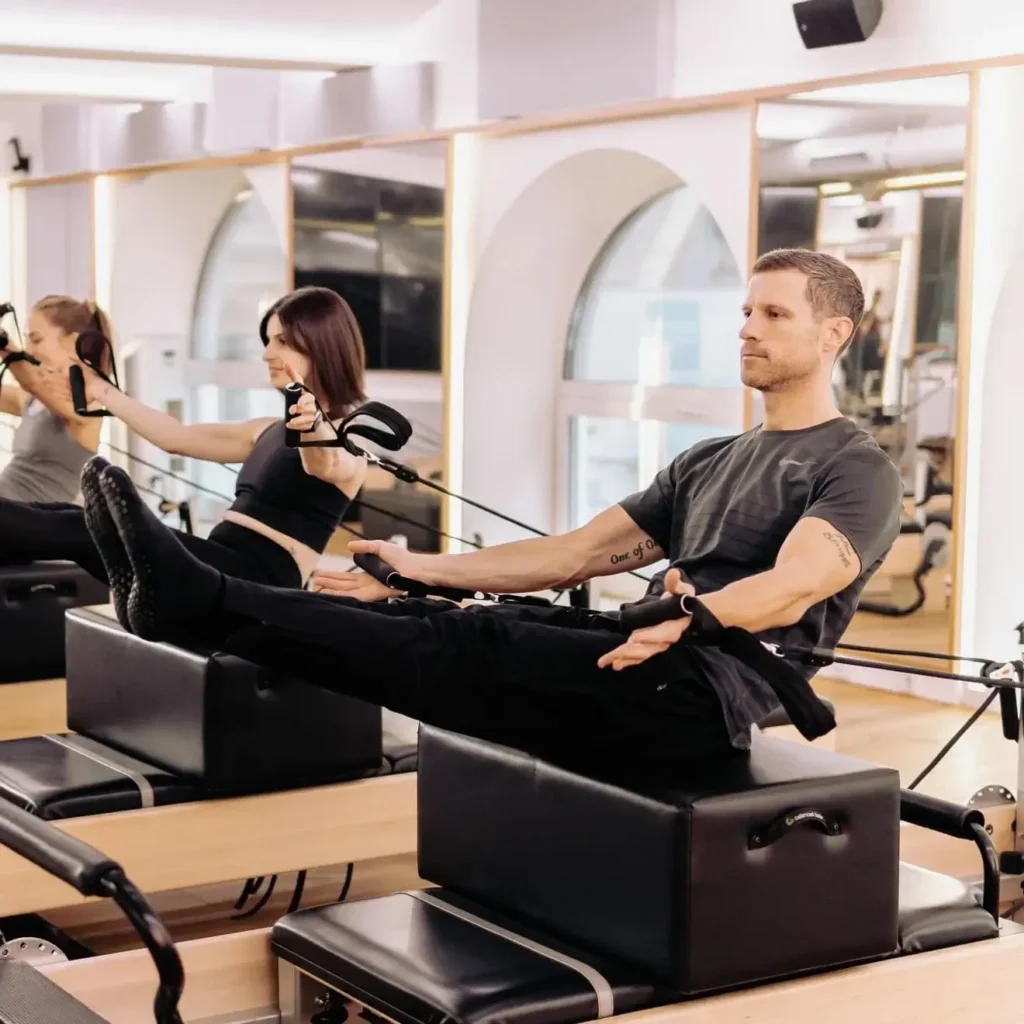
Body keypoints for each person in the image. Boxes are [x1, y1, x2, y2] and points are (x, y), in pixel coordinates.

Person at [83, 249, 904, 765]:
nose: (747, 331)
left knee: (468, 642)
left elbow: (796, 584)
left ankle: (198, 598)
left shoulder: (853, 467)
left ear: (836, 333)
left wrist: (695, 617)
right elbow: (573, 554)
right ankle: (191, 608)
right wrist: (413, 571)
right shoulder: (711, 458)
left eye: (773, 315)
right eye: (744, 312)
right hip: (643, 656)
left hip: (707, 692)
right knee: (426, 618)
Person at [0, 286, 369, 627]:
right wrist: (100, 389)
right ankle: (142, 579)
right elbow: (175, 437)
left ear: (320, 344)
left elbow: (325, 462)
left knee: (80, 527)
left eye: (282, 341)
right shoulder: (266, 429)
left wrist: (312, 426)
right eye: (268, 340)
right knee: (66, 515)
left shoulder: (350, 441)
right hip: (217, 558)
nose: (267, 353)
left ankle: (141, 566)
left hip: (256, 584)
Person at [0, 295, 113, 503]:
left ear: (72, 341)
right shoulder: (31, 399)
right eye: (27, 340)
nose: (29, 349)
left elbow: (33, 382)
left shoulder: (90, 403)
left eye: (36, 339)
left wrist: (3, 341)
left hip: (31, 524)